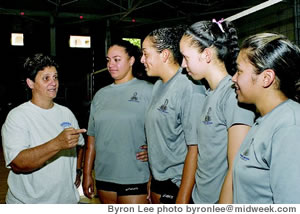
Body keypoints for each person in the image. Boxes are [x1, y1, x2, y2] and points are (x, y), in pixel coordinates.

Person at [179, 19, 255, 203]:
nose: (182, 64)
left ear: (206, 55)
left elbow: (236, 167)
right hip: (200, 199)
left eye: (186, 57)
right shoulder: (209, 94)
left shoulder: (233, 97)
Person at [1, 53, 86, 204]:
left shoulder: (66, 114)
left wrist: (77, 170)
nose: (53, 83)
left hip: (66, 202)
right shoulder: (17, 116)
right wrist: (57, 143)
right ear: (30, 83)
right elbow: (17, 163)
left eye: (55, 77)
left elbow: (80, 145)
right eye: (46, 78)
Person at [232, 33, 300, 204]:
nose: (233, 78)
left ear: (266, 78)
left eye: (239, 71)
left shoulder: (289, 127)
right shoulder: (265, 119)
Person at [141, 26, 206, 204]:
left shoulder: (190, 87)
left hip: (178, 185)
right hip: (159, 183)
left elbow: (195, 148)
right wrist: (152, 179)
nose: (142, 59)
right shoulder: (157, 86)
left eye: (146, 54)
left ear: (165, 55)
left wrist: (182, 200)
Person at [83, 40, 153, 204]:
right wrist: (87, 174)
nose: (111, 65)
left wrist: (155, 151)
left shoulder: (148, 91)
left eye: (117, 59)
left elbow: (162, 131)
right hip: (104, 176)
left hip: (135, 175)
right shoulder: (100, 95)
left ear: (131, 61)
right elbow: (91, 140)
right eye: (108, 60)